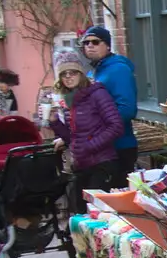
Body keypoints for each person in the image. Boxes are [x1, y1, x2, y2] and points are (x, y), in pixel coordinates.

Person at [47, 49, 123, 210]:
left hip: (102, 164)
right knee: (80, 213)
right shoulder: (69, 100)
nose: (68, 77)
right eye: (64, 74)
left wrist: (89, 146)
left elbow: (116, 126)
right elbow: (72, 138)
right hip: (82, 165)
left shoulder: (97, 94)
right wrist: (55, 123)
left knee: (97, 213)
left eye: (72, 72)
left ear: (80, 73)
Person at [80, 26, 139, 185]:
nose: (90, 45)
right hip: (98, 149)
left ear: (107, 45)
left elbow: (127, 110)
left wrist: (98, 128)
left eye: (95, 42)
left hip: (119, 147)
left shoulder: (119, 69)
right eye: (86, 43)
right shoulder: (92, 73)